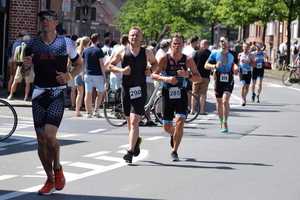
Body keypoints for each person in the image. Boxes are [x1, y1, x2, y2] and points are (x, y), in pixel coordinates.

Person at [23, 9, 83, 195]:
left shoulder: (67, 43)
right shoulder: (32, 44)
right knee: (41, 141)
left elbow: (80, 64)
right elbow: (25, 74)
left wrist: (69, 76)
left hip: (57, 94)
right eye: (42, 19)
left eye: (49, 19)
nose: (45, 22)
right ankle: (49, 179)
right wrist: (25, 67)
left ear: (56, 22)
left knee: (49, 135)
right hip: (39, 94)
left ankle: (57, 168)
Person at [108, 26, 158, 163]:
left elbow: (155, 63)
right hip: (126, 89)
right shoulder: (121, 51)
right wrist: (122, 70)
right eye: (132, 35)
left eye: (137, 35)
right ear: (128, 38)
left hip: (139, 89)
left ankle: (129, 152)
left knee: (135, 120)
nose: (134, 37)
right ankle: (135, 142)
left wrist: (151, 71)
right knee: (129, 121)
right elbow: (109, 66)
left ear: (141, 38)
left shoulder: (147, 52)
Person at [151, 33, 201, 161]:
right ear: (171, 45)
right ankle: (174, 135)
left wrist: (187, 75)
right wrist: (166, 78)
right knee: (167, 127)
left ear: (183, 45)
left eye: (179, 43)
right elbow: (153, 75)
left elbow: (198, 78)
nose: (176, 46)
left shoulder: (188, 60)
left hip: (181, 94)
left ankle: (174, 151)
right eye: (174, 43)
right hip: (167, 94)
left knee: (179, 122)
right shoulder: (164, 59)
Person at [204, 35, 239, 133]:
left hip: (229, 78)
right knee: (219, 102)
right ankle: (220, 121)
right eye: (222, 41)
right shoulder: (214, 54)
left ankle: (225, 122)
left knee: (225, 101)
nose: (224, 42)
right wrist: (214, 66)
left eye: (225, 41)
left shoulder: (233, 54)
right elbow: (206, 65)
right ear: (219, 43)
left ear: (229, 43)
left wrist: (236, 69)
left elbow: (237, 63)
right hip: (218, 79)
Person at [81, 33, 106, 118]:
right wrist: (104, 75)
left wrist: (83, 73)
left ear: (91, 40)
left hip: (88, 74)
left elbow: (82, 63)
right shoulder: (99, 50)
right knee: (100, 92)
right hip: (98, 74)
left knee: (88, 93)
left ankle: (88, 112)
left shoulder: (85, 50)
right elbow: (101, 64)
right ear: (98, 40)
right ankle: (96, 110)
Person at [7, 35, 34, 101]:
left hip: (20, 66)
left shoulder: (18, 47)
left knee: (15, 81)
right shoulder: (30, 47)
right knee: (27, 83)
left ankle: (10, 95)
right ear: (28, 40)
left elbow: (15, 58)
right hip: (28, 66)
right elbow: (32, 56)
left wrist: (16, 64)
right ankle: (26, 97)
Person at [191, 39, 211, 115]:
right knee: (202, 94)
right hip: (206, 76)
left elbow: (192, 62)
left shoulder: (197, 53)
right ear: (207, 45)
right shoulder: (210, 54)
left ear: (201, 45)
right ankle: (201, 110)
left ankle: (192, 110)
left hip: (196, 75)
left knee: (194, 93)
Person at [7, 30, 27, 97]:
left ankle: (11, 92)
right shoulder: (17, 44)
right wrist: (15, 64)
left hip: (12, 61)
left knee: (13, 77)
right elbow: (14, 54)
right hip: (13, 62)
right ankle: (10, 92)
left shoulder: (16, 42)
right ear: (23, 36)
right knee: (13, 77)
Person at [75, 36, 90, 117]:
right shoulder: (87, 51)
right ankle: (88, 110)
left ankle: (77, 111)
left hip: (77, 73)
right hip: (85, 72)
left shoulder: (77, 50)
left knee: (79, 93)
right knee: (87, 93)